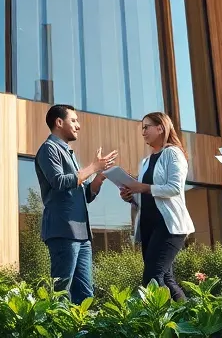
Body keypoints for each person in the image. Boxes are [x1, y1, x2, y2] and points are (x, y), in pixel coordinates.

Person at [35, 103, 118, 304]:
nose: (78, 125)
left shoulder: (69, 152)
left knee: (85, 295)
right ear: (58, 122)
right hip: (63, 230)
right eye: (74, 120)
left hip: (82, 234)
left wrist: (98, 176)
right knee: (62, 292)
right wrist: (92, 166)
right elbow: (60, 182)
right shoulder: (49, 149)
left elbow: (85, 194)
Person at [119, 111, 196, 300]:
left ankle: (163, 325)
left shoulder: (173, 153)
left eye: (146, 127)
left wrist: (141, 187)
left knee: (152, 279)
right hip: (148, 226)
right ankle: (190, 322)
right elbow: (147, 196)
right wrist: (131, 196)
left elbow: (174, 188)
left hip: (169, 226)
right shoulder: (145, 162)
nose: (143, 132)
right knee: (166, 279)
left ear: (160, 128)